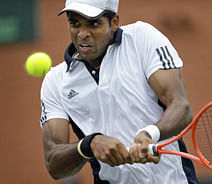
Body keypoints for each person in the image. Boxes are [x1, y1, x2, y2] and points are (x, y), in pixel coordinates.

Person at [40, 0, 199, 183]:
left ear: (114, 23)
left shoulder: (142, 39)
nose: (82, 34)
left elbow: (180, 107)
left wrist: (150, 134)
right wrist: (89, 145)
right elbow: (54, 163)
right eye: (74, 23)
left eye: (94, 23)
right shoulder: (55, 81)